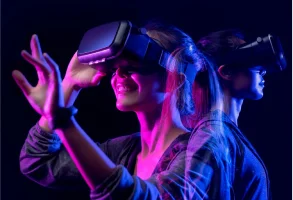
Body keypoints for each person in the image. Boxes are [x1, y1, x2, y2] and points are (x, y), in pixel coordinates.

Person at [15, 21, 202, 199]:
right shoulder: (125, 150)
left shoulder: (199, 154)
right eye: (114, 69)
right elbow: (36, 162)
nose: (118, 76)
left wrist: (61, 118)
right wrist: (70, 84)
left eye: (130, 68)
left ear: (175, 80)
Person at [184, 29, 271, 199]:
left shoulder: (225, 133)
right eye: (252, 61)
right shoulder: (211, 135)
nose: (263, 70)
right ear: (226, 72)